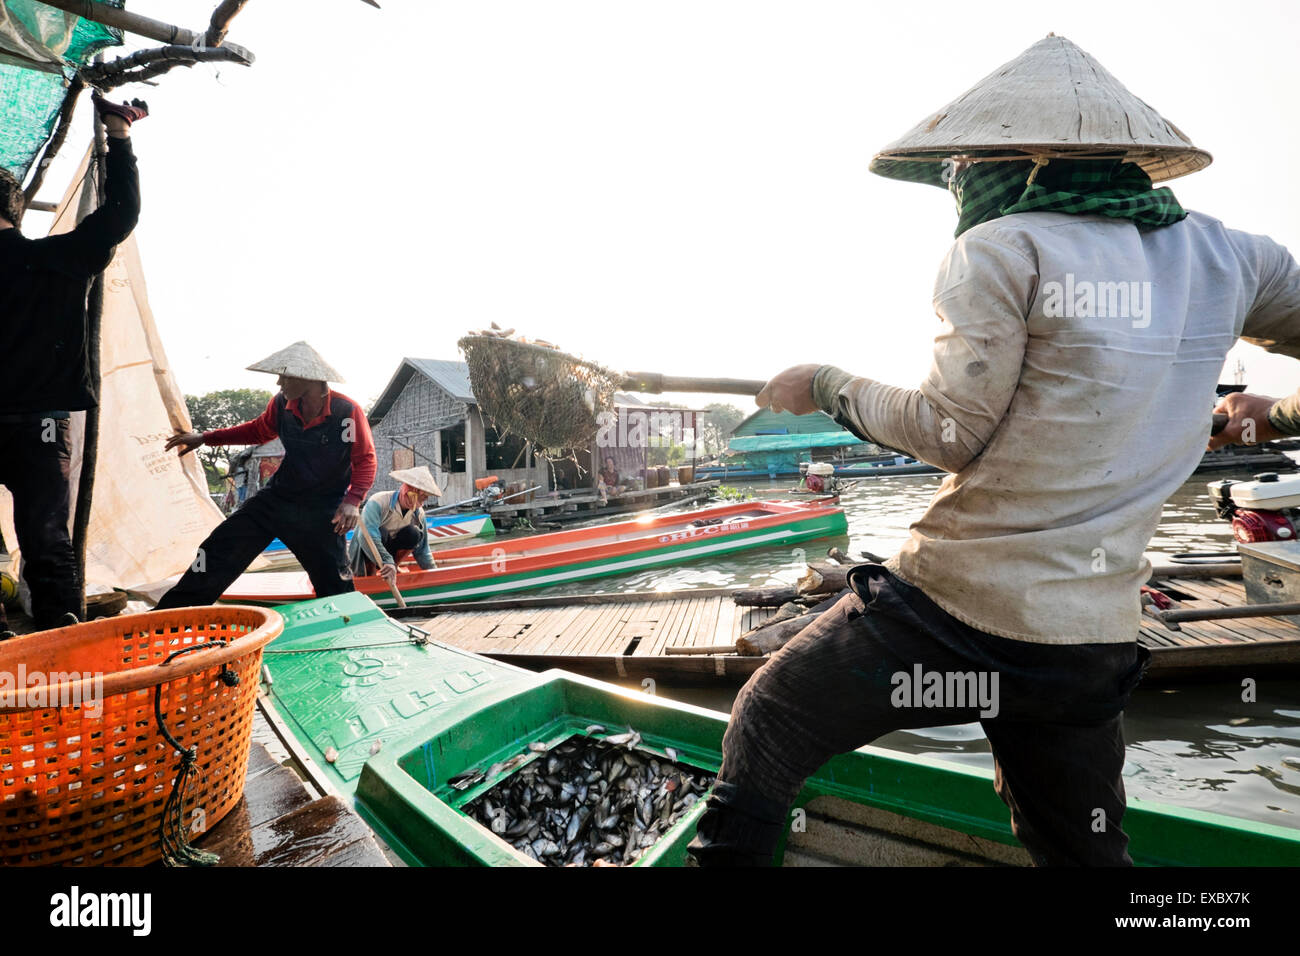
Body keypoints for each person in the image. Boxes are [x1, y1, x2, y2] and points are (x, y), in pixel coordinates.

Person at [687, 34, 1300, 867]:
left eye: (966, 166)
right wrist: (1281, 412)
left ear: (1025, 160)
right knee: (1078, 845)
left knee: (771, 719)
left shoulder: (999, 248)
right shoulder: (1235, 256)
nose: (961, 181)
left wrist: (827, 384)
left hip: (961, 618)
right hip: (1089, 642)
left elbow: (950, 433)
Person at [0, 94, 147, 634]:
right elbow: (120, 214)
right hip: (42, 424)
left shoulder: (55, 259)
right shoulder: (58, 260)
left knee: (44, 537)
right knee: (46, 537)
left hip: (29, 417)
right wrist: (120, 138)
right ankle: (63, 641)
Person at [157, 342, 376, 608]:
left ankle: (345, 628)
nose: (278, 383)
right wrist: (205, 438)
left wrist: (353, 501)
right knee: (217, 548)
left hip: (322, 510)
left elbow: (364, 459)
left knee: (334, 582)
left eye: (284, 376)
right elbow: (257, 431)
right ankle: (170, 615)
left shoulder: (346, 412)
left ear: (307, 378)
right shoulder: (282, 404)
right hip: (277, 500)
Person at [350, 466, 441, 585]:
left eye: (423, 498)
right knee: (380, 533)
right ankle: (371, 573)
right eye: (414, 496)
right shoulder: (379, 501)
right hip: (367, 550)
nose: (417, 503)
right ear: (404, 491)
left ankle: (394, 568)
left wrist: (434, 573)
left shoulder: (418, 514)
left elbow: (423, 550)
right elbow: (367, 536)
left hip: (390, 553)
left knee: (413, 533)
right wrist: (387, 560)